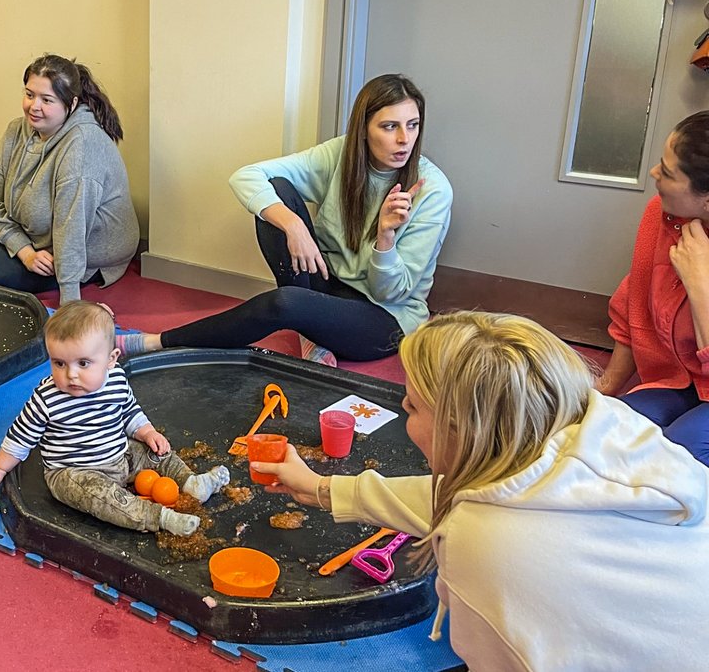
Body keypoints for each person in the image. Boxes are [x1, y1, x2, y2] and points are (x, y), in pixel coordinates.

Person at [252, 311, 709, 669]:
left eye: (410, 406)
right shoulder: (603, 426)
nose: (404, 411)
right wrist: (320, 488)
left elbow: (474, 519)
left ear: (459, 428)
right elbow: (467, 494)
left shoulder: (490, 544)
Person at [119, 74, 452, 365]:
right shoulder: (341, 154)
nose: (404, 140)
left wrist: (385, 239)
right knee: (275, 194)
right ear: (363, 129)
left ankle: (154, 342)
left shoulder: (433, 191)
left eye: (413, 125)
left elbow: (391, 294)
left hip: (383, 319)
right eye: (389, 126)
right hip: (331, 285)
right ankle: (311, 332)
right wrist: (292, 224)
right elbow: (247, 176)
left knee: (285, 303)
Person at [0, 302, 229, 536]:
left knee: (157, 451)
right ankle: (159, 518)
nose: (71, 375)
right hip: (74, 472)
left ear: (111, 360)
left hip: (120, 455)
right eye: (59, 363)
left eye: (84, 363)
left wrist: (147, 432)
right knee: (101, 497)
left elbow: (130, 411)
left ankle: (192, 483)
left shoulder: (117, 380)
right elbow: (21, 436)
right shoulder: (47, 398)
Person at [0, 54, 140, 304]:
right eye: (29, 95)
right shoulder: (16, 130)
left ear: (70, 104)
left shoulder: (81, 145)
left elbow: (71, 227)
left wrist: (70, 298)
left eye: (46, 100)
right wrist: (25, 252)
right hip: (30, 226)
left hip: (87, 244)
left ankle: (84, 274)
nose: (34, 106)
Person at [597, 111, 709, 466]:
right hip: (682, 380)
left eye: (668, 172)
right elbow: (636, 307)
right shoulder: (660, 213)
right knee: (609, 430)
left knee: (678, 454)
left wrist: (700, 283)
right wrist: (607, 389)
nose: (653, 173)